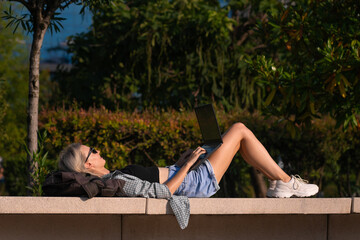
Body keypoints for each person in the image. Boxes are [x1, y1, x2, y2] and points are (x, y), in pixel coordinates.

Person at [59, 122, 319, 199]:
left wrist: (183, 161)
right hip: (192, 184)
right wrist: (187, 165)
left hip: (186, 173)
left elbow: (159, 180)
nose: (97, 150)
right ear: (88, 165)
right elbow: (162, 191)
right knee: (239, 130)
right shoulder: (114, 180)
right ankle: (286, 182)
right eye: (91, 151)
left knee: (234, 136)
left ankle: (282, 182)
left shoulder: (114, 176)